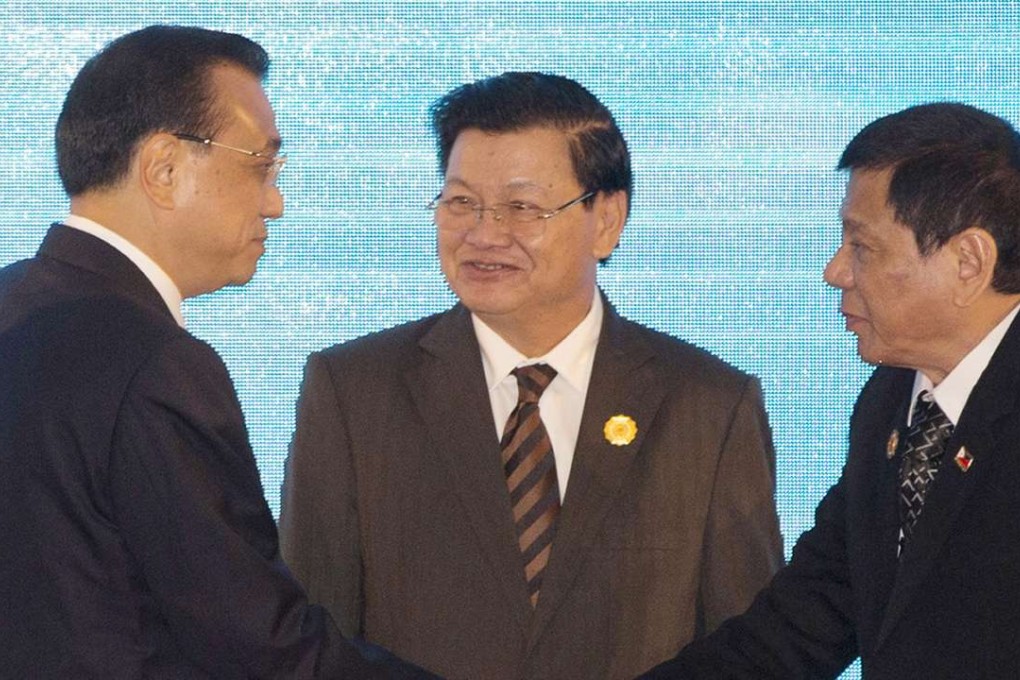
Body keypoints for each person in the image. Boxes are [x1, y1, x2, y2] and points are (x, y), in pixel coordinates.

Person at [279, 71, 784, 680]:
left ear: (607, 219)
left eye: (521, 207)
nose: (484, 234)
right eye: (460, 202)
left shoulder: (708, 407)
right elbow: (311, 643)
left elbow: (754, 655)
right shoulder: (354, 392)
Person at [0, 25, 433, 679]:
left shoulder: (16, 300)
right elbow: (260, 646)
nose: (275, 204)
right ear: (164, 169)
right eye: (261, 165)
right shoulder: (155, 365)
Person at [638, 102, 1020, 679]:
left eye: (862, 247)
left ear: (968, 262)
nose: (835, 271)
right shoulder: (890, 401)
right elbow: (799, 627)